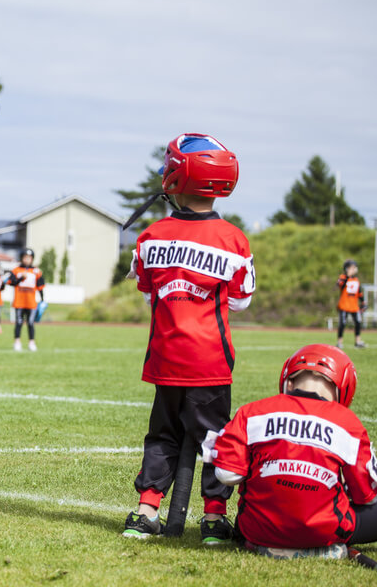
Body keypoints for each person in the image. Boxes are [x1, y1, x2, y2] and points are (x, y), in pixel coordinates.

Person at [122, 133, 256, 543]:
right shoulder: (234, 240)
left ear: (178, 177)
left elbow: (147, 291)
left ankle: (147, 511)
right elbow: (240, 302)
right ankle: (214, 520)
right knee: (215, 440)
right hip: (210, 361)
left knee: (162, 434)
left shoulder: (152, 236)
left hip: (165, 357)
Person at [204, 344, 377, 552]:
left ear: (288, 382)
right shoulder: (348, 423)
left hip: (257, 529)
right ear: (343, 387)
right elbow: (367, 494)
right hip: (324, 530)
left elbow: (227, 474)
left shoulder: (251, 412)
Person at [6, 248, 44, 352]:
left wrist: (42, 300)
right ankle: (17, 342)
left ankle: (32, 342)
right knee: (19, 322)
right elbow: (10, 282)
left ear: (32, 259)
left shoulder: (36, 271)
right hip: (19, 302)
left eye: (29, 258)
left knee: (31, 323)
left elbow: (40, 287)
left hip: (31, 302)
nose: (27, 260)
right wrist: (20, 278)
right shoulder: (16, 270)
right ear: (22, 258)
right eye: (25, 258)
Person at [337, 259, 367, 349]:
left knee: (358, 322)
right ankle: (339, 342)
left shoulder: (356, 280)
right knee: (342, 323)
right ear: (347, 268)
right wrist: (347, 276)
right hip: (344, 305)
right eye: (352, 267)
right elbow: (340, 285)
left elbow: (359, 292)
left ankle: (358, 341)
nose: (354, 269)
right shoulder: (342, 277)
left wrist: (363, 302)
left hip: (354, 306)